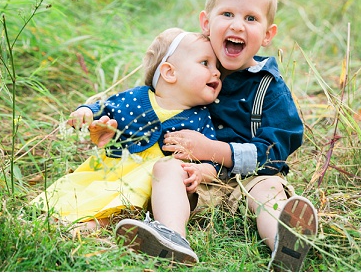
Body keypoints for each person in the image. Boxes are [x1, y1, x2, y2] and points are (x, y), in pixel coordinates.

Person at [115, 0, 319, 271]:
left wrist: (213, 150)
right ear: (206, 23)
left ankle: (284, 237)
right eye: (227, 14)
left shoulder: (268, 86)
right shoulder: (193, 65)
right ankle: (172, 237)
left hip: (252, 178)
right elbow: (157, 101)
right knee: (166, 170)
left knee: (269, 192)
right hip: (199, 179)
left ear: (267, 34)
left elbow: (277, 149)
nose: (238, 25)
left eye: (251, 18)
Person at [33, 29, 222, 242]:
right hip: (116, 168)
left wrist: (198, 171)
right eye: (205, 63)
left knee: (127, 201)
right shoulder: (136, 98)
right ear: (170, 73)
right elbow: (104, 108)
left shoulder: (201, 117)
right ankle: (60, 217)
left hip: (154, 182)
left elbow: (212, 163)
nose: (216, 73)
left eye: (217, 67)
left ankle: (90, 227)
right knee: (84, 190)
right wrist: (85, 112)